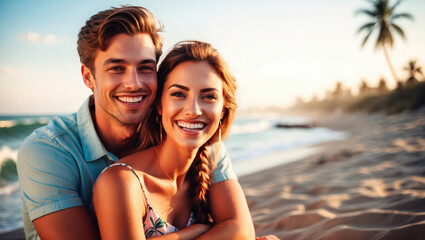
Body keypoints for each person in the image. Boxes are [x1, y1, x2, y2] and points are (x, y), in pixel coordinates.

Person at [17, 6, 255, 240]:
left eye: (145, 68)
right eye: (117, 68)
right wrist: (203, 228)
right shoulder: (48, 151)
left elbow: (240, 229)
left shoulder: (190, 135)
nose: (134, 83)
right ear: (88, 76)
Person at [93, 40, 251, 239]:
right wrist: (203, 228)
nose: (193, 110)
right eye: (178, 94)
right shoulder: (121, 182)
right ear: (159, 104)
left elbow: (243, 231)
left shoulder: (211, 159)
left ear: (223, 111)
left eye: (209, 97)